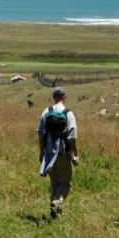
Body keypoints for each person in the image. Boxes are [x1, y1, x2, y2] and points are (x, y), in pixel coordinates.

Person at [37, 87, 79, 219]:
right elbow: (72, 137)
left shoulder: (46, 111)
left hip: (49, 154)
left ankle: (54, 214)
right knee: (65, 184)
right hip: (63, 155)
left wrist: (41, 152)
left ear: (54, 97)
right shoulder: (68, 113)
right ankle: (57, 202)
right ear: (64, 97)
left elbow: (40, 134)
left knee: (54, 183)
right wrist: (75, 154)